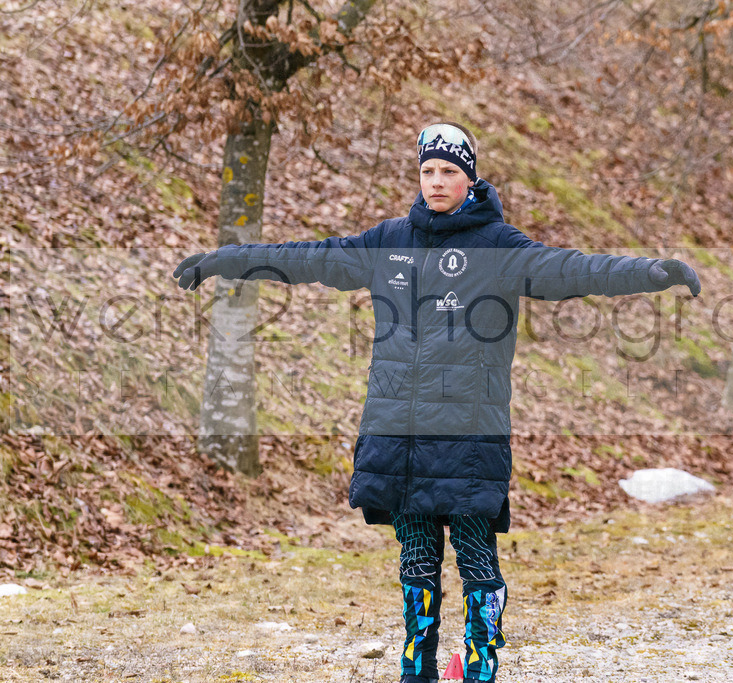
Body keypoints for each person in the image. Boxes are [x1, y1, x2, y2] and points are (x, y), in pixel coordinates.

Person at [173, 121, 701, 683]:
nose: (437, 181)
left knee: (476, 556)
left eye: (449, 171)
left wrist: (651, 272)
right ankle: (416, 666)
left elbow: (573, 269)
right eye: (428, 170)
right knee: (417, 559)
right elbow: (306, 258)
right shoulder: (387, 241)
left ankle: (479, 664)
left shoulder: (500, 247)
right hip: (399, 431)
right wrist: (226, 259)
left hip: (470, 433)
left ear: (470, 178)